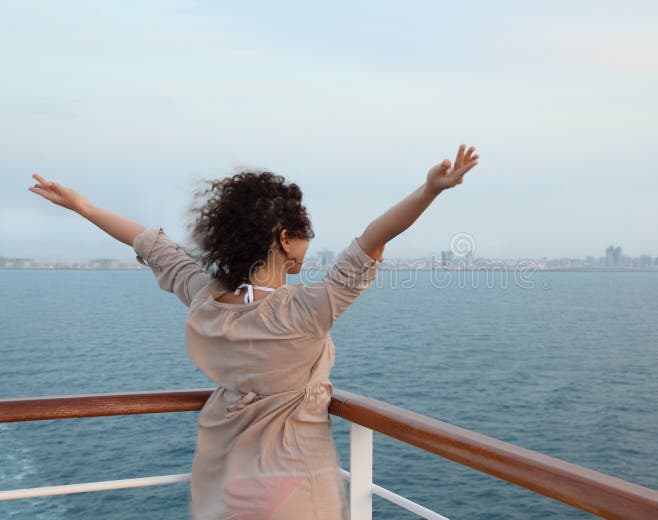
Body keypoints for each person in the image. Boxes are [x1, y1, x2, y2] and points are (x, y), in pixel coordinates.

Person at [29, 144, 479, 519]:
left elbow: (150, 243)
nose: (307, 245)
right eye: (304, 235)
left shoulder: (205, 298)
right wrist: (429, 190)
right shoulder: (305, 310)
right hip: (293, 483)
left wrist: (81, 205)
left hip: (224, 476)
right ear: (285, 239)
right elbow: (373, 239)